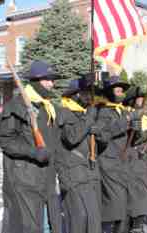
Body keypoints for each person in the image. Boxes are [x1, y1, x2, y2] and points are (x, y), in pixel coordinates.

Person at [0, 60, 62, 233]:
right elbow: (5, 140)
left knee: (49, 225)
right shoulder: (16, 105)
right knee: (28, 227)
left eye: (52, 79)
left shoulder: (48, 108)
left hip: (46, 178)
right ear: (34, 80)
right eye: (47, 79)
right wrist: (33, 152)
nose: (51, 83)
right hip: (24, 180)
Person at [96, 76, 144, 233]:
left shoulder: (122, 111)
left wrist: (136, 130)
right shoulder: (103, 111)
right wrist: (128, 119)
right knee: (116, 204)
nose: (121, 92)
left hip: (123, 163)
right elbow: (103, 135)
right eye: (117, 89)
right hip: (108, 163)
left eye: (122, 90)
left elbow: (134, 141)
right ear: (109, 91)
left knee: (124, 204)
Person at [56, 74, 102, 233]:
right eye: (85, 92)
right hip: (72, 174)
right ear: (75, 94)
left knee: (93, 221)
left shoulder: (84, 113)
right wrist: (89, 119)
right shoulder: (65, 112)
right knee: (78, 219)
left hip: (88, 174)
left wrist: (98, 132)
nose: (89, 96)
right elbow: (71, 137)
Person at [122, 86, 147, 227]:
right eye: (139, 97)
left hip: (144, 158)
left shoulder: (146, 116)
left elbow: (146, 135)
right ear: (131, 100)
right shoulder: (127, 114)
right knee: (136, 194)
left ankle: (138, 224)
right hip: (131, 158)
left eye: (143, 97)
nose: (142, 100)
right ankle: (135, 226)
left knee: (143, 192)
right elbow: (133, 139)